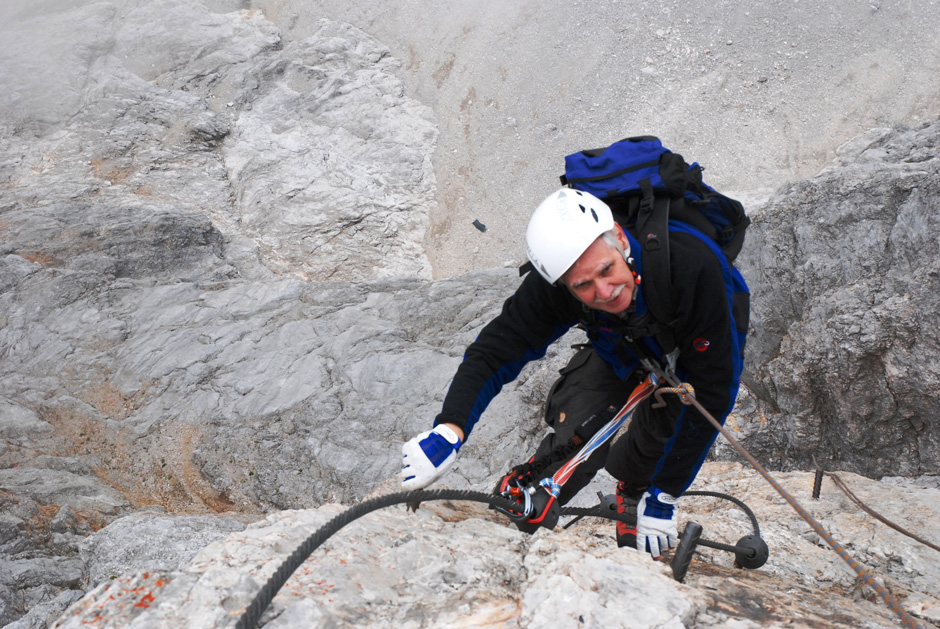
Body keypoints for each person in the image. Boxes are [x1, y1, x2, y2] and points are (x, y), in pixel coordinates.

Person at [401, 187, 747, 558]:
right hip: (620, 346)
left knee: (667, 426)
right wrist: (450, 428)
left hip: (692, 347)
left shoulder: (692, 264)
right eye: (583, 285)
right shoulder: (556, 283)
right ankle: (531, 490)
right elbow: (496, 350)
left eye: (606, 270)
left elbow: (712, 389)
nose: (605, 291)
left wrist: (664, 492)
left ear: (617, 236)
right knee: (581, 423)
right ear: (564, 283)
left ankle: (633, 489)